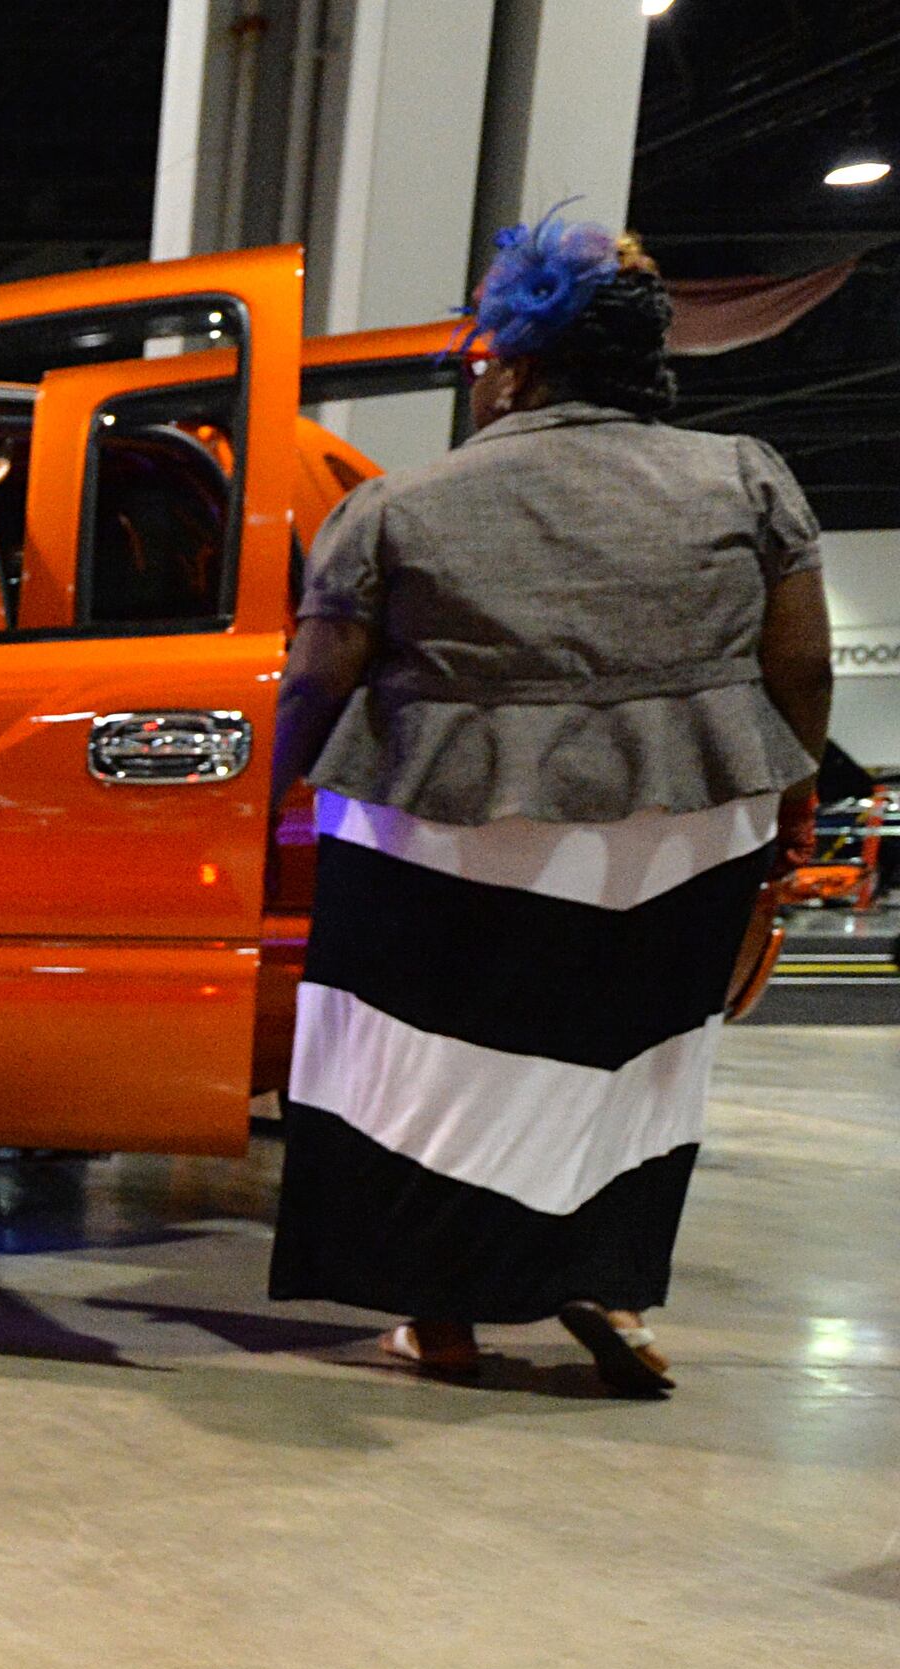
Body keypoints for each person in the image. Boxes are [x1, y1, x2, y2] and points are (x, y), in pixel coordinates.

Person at [270, 215, 831, 1396]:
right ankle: (603, 1281)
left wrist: (292, 793)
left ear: (518, 367)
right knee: (634, 1064)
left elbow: (319, 678)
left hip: (453, 826)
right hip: (684, 821)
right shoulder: (744, 476)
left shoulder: (395, 508)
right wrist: (790, 797)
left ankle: (444, 1319)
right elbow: (802, 670)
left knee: (436, 1071)